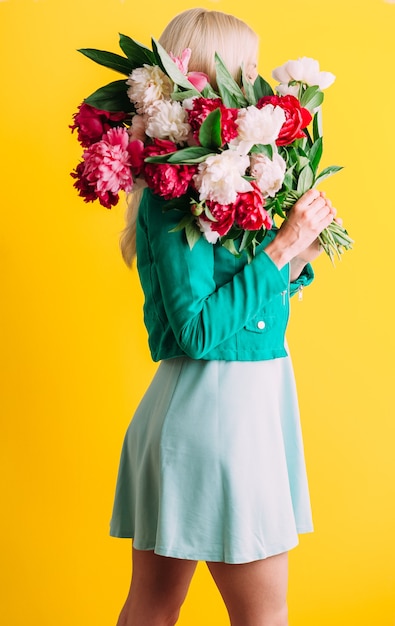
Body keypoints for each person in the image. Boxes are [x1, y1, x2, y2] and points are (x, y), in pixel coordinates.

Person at [109, 8, 337, 626]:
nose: (257, 87)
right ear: (203, 77)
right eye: (245, 70)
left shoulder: (229, 177)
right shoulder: (172, 192)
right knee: (260, 617)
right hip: (219, 421)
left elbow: (246, 314)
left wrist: (296, 255)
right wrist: (284, 247)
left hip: (234, 411)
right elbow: (200, 332)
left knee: (154, 606)